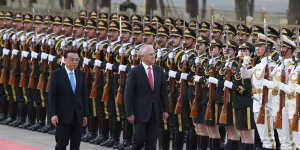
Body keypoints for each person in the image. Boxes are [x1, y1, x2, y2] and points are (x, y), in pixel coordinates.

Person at [124, 44, 169, 150]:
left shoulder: (158, 70)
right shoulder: (135, 71)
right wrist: (129, 113)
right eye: (150, 54)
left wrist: (166, 110)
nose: (153, 56)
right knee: (139, 140)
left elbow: (163, 92)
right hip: (139, 113)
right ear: (142, 56)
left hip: (155, 112)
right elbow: (128, 94)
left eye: (154, 54)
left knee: (152, 143)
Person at [48, 50, 89, 150]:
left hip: (77, 116)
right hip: (62, 116)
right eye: (72, 60)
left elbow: (84, 96)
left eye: (76, 60)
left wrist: (85, 115)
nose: (74, 62)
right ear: (65, 60)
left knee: (75, 145)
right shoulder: (57, 74)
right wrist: (53, 114)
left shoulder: (80, 74)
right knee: (61, 144)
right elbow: (52, 96)